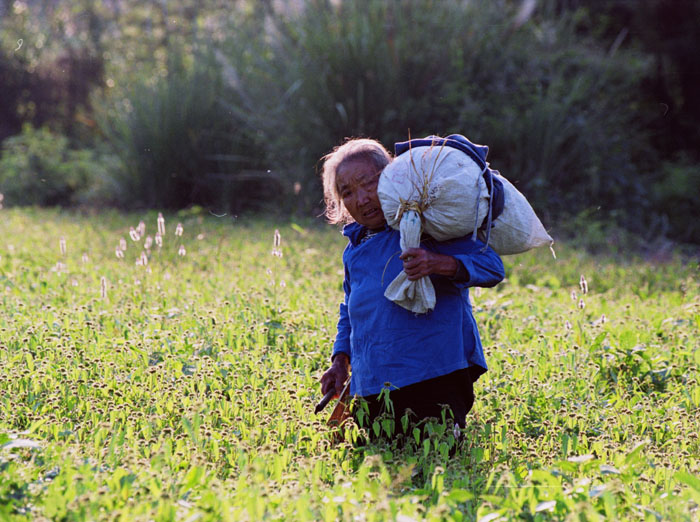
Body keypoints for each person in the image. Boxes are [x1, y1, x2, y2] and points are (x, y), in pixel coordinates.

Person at [319, 138, 505, 436]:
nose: (362, 199)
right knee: (376, 456)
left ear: (393, 179)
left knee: (433, 453)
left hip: (433, 375)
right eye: (348, 193)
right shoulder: (354, 249)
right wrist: (340, 360)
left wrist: (438, 263)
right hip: (375, 382)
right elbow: (350, 309)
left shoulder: (424, 225)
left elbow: (492, 266)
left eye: (369, 184)